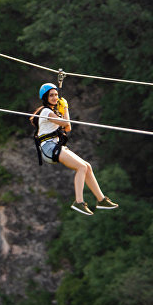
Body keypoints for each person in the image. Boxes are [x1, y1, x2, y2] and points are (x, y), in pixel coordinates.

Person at [30, 83, 118, 216]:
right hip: (49, 148)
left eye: (56, 95)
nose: (54, 97)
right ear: (45, 97)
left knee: (87, 166)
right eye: (51, 95)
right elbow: (65, 123)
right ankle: (79, 202)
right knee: (81, 167)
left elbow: (68, 128)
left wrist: (64, 109)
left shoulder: (54, 112)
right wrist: (65, 108)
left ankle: (101, 200)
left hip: (55, 146)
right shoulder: (46, 111)